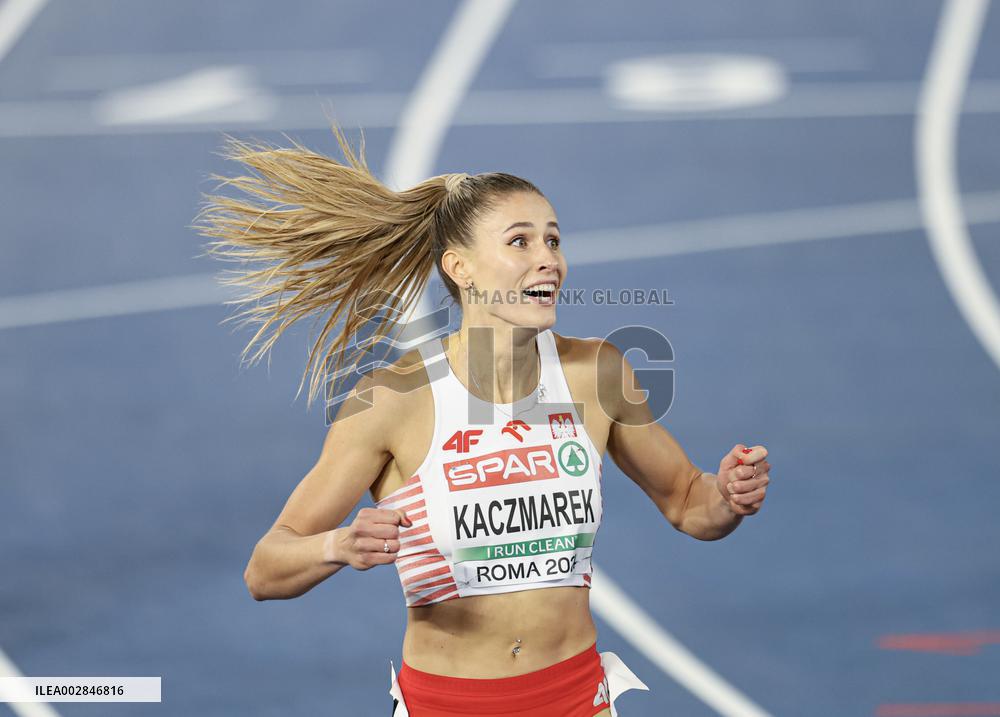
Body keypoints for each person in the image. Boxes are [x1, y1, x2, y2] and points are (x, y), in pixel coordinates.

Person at [194, 123, 772, 717]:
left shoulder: (597, 373)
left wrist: (726, 496)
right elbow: (265, 569)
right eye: (520, 242)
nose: (548, 260)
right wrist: (339, 544)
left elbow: (686, 502)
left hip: (577, 699)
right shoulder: (392, 401)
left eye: (553, 240)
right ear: (460, 268)